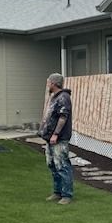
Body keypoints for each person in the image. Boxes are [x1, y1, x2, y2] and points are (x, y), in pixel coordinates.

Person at [39, 72, 74, 204]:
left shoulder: (63, 97)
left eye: (48, 82)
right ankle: (57, 192)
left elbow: (63, 117)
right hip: (50, 138)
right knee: (52, 165)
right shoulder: (54, 97)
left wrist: (55, 134)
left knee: (62, 165)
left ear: (53, 83)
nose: (47, 84)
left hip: (59, 139)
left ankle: (67, 194)